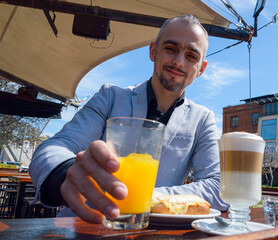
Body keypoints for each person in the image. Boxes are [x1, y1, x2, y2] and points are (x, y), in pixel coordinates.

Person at [29, 14, 228, 223]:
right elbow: (53, 148)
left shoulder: (202, 119)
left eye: (191, 56)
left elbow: (217, 186)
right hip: (86, 225)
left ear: (201, 69)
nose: (179, 62)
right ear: (153, 51)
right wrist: (63, 173)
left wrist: (145, 199)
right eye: (171, 48)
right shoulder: (110, 97)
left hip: (154, 233)